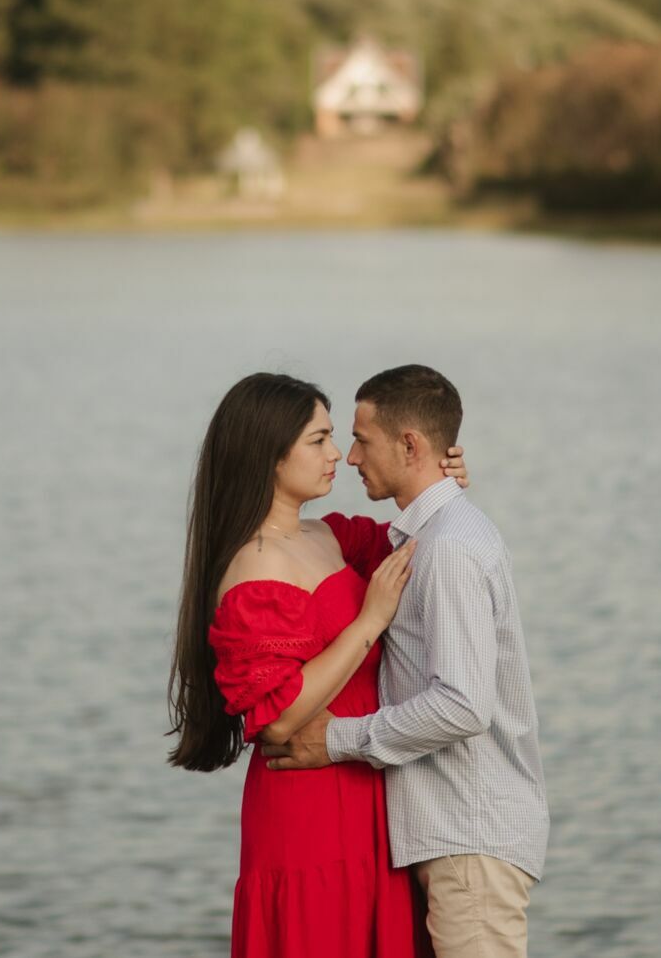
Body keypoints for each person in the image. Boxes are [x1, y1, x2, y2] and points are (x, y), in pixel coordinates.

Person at [167, 371, 467, 958]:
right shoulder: (253, 568)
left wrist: (439, 483)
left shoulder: (328, 536)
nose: (339, 456)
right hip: (307, 804)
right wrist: (367, 623)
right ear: (269, 455)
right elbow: (275, 717)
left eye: (335, 438)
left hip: (366, 783)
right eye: (319, 440)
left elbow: (418, 547)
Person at [263, 365, 548, 958]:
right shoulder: (429, 535)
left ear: (410, 445)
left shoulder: (447, 549)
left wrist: (337, 739)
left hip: (471, 837)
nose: (350, 456)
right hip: (455, 831)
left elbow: (464, 706)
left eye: (363, 439)